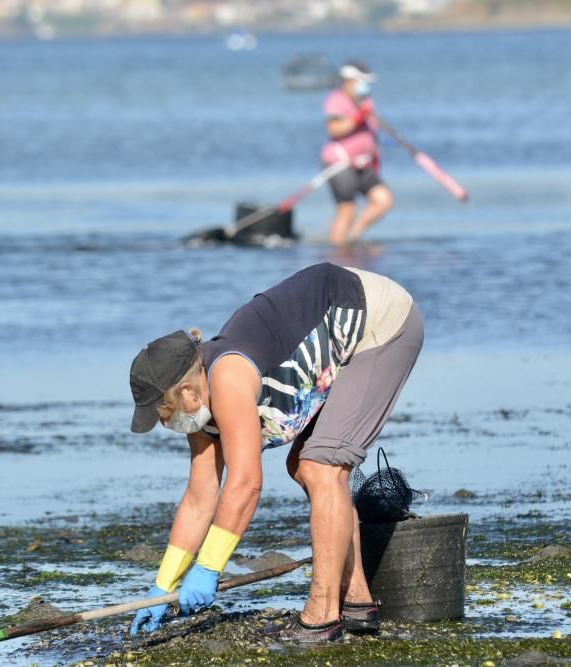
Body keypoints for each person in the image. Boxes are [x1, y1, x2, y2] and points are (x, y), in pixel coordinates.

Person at [126, 262, 424, 642]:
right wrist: (163, 586)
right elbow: (200, 499)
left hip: (379, 321)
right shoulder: (200, 408)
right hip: (338, 328)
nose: (165, 423)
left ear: (185, 392)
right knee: (305, 466)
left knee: (321, 467)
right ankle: (356, 601)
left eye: (162, 413)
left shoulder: (228, 378)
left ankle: (321, 616)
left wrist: (209, 567)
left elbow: (246, 483)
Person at [321, 61, 394, 247]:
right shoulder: (336, 99)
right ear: (349, 80)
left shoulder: (366, 100)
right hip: (340, 164)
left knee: (383, 200)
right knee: (347, 208)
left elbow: (371, 132)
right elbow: (334, 129)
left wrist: (376, 156)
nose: (365, 85)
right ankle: (337, 252)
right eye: (361, 81)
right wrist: (356, 118)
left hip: (365, 164)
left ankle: (353, 237)